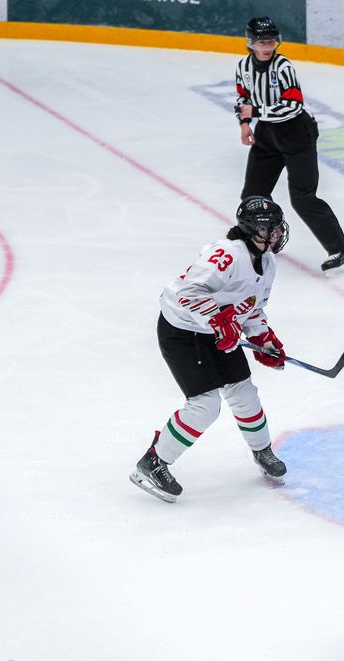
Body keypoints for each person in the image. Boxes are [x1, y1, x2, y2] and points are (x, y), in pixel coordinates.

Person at [130, 196, 291, 503]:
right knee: (205, 406)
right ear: (253, 230)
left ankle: (262, 451)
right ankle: (152, 463)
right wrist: (219, 321)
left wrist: (263, 339)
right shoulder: (227, 254)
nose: (278, 234)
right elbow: (188, 291)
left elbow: (251, 309)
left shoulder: (267, 263)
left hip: (217, 331)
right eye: (271, 229)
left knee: (244, 393)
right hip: (183, 330)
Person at [234, 16, 344, 275]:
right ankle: (259, 242)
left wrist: (256, 110)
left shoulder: (283, 67)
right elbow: (242, 97)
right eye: (261, 41)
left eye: (270, 41)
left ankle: (340, 249)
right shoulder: (244, 66)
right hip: (267, 134)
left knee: (302, 198)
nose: (266, 46)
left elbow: (292, 106)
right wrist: (245, 123)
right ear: (250, 43)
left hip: (297, 133)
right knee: (253, 195)